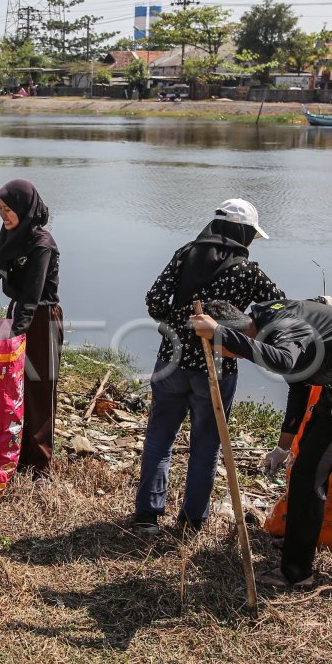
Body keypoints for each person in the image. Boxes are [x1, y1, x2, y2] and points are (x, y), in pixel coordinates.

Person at [191, 298, 332, 588]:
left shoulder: (283, 330)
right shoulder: (262, 319)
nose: (220, 353)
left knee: (309, 476)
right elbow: (298, 383)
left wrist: (220, 334)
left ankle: (297, 572)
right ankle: (301, 539)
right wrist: (283, 447)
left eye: (218, 348)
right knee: (305, 468)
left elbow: (283, 360)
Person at [132, 199, 285, 537]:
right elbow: (280, 308)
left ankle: (147, 517)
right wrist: (243, 326)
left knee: (159, 437)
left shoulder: (185, 253)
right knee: (206, 443)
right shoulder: (248, 271)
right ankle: (191, 521)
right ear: (242, 232)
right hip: (216, 368)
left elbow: (155, 301)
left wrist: (178, 322)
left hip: (171, 361)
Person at [0, 179, 62, 481]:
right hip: (19, 314)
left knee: (39, 388)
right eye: (0, 209)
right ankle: (16, 453)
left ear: (24, 208)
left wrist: (15, 334)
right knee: (15, 387)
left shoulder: (41, 243)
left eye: (9, 209)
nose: (4, 215)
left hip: (41, 319)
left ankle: (40, 465)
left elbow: (33, 293)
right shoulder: (10, 233)